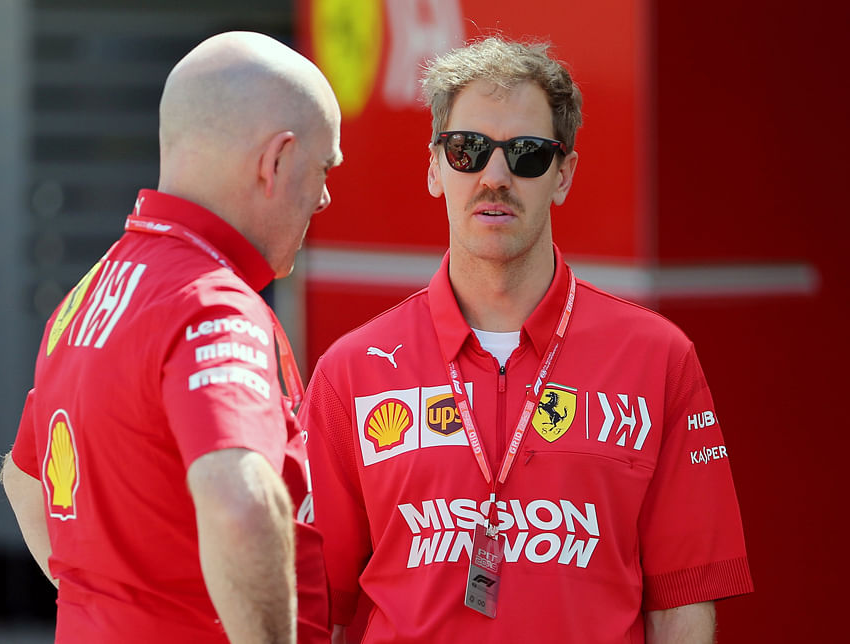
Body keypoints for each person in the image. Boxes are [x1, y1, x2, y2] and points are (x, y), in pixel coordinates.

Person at [299, 37, 753, 643]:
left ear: (562, 175)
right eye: (468, 150)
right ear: (434, 168)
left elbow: (682, 607)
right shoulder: (350, 372)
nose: (495, 176)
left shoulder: (659, 359)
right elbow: (318, 610)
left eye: (528, 155)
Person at [0, 31, 341, 644]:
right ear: (276, 161)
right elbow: (241, 504)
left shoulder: (87, 296)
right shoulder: (213, 306)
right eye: (321, 168)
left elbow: (27, 480)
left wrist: (115, 609)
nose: (323, 196)